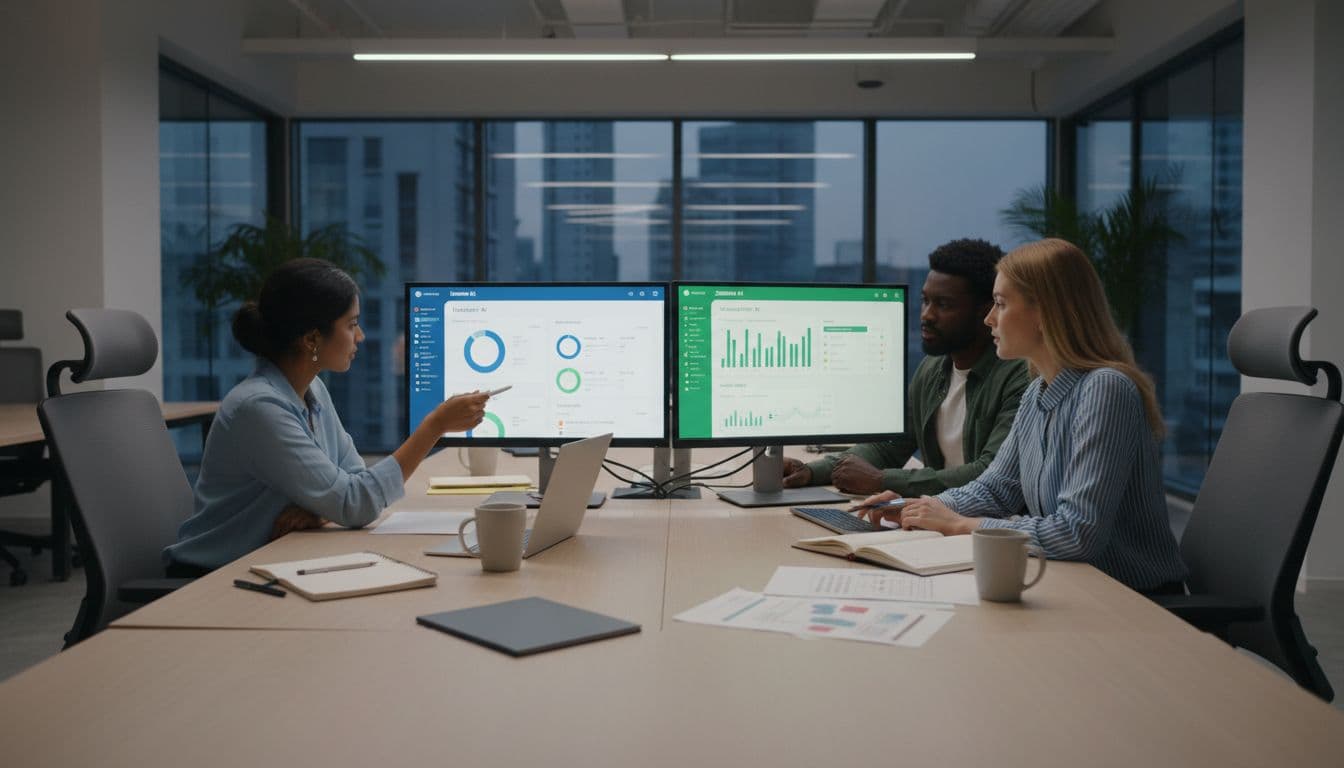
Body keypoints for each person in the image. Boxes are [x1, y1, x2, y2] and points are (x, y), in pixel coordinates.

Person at [860, 238, 1187, 594]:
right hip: (1070, 585)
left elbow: (1076, 534)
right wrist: (920, 507)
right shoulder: (1037, 391)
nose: (989, 319)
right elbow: (997, 488)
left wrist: (958, 525)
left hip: (1130, 601)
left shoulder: (1105, 389)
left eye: (1000, 304)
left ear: (1046, 313)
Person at [164, 258, 488, 575]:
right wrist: (434, 427)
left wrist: (320, 509)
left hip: (267, 561)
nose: (360, 336)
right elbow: (356, 501)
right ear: (312, 339)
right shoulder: (258, 408)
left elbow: (354, 484)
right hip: (211, 576)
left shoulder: (312, 389)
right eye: (351, 324)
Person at [783, 238, 1029, 496]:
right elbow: (889, 448)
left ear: (985, 311)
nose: (926, 315)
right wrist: (812, 471)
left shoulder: (1019, 377)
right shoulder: (932, 369)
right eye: (925, 301)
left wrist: (882, 481)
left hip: (983, 524)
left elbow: (988, 472)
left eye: (943, 305)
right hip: (937, 517)